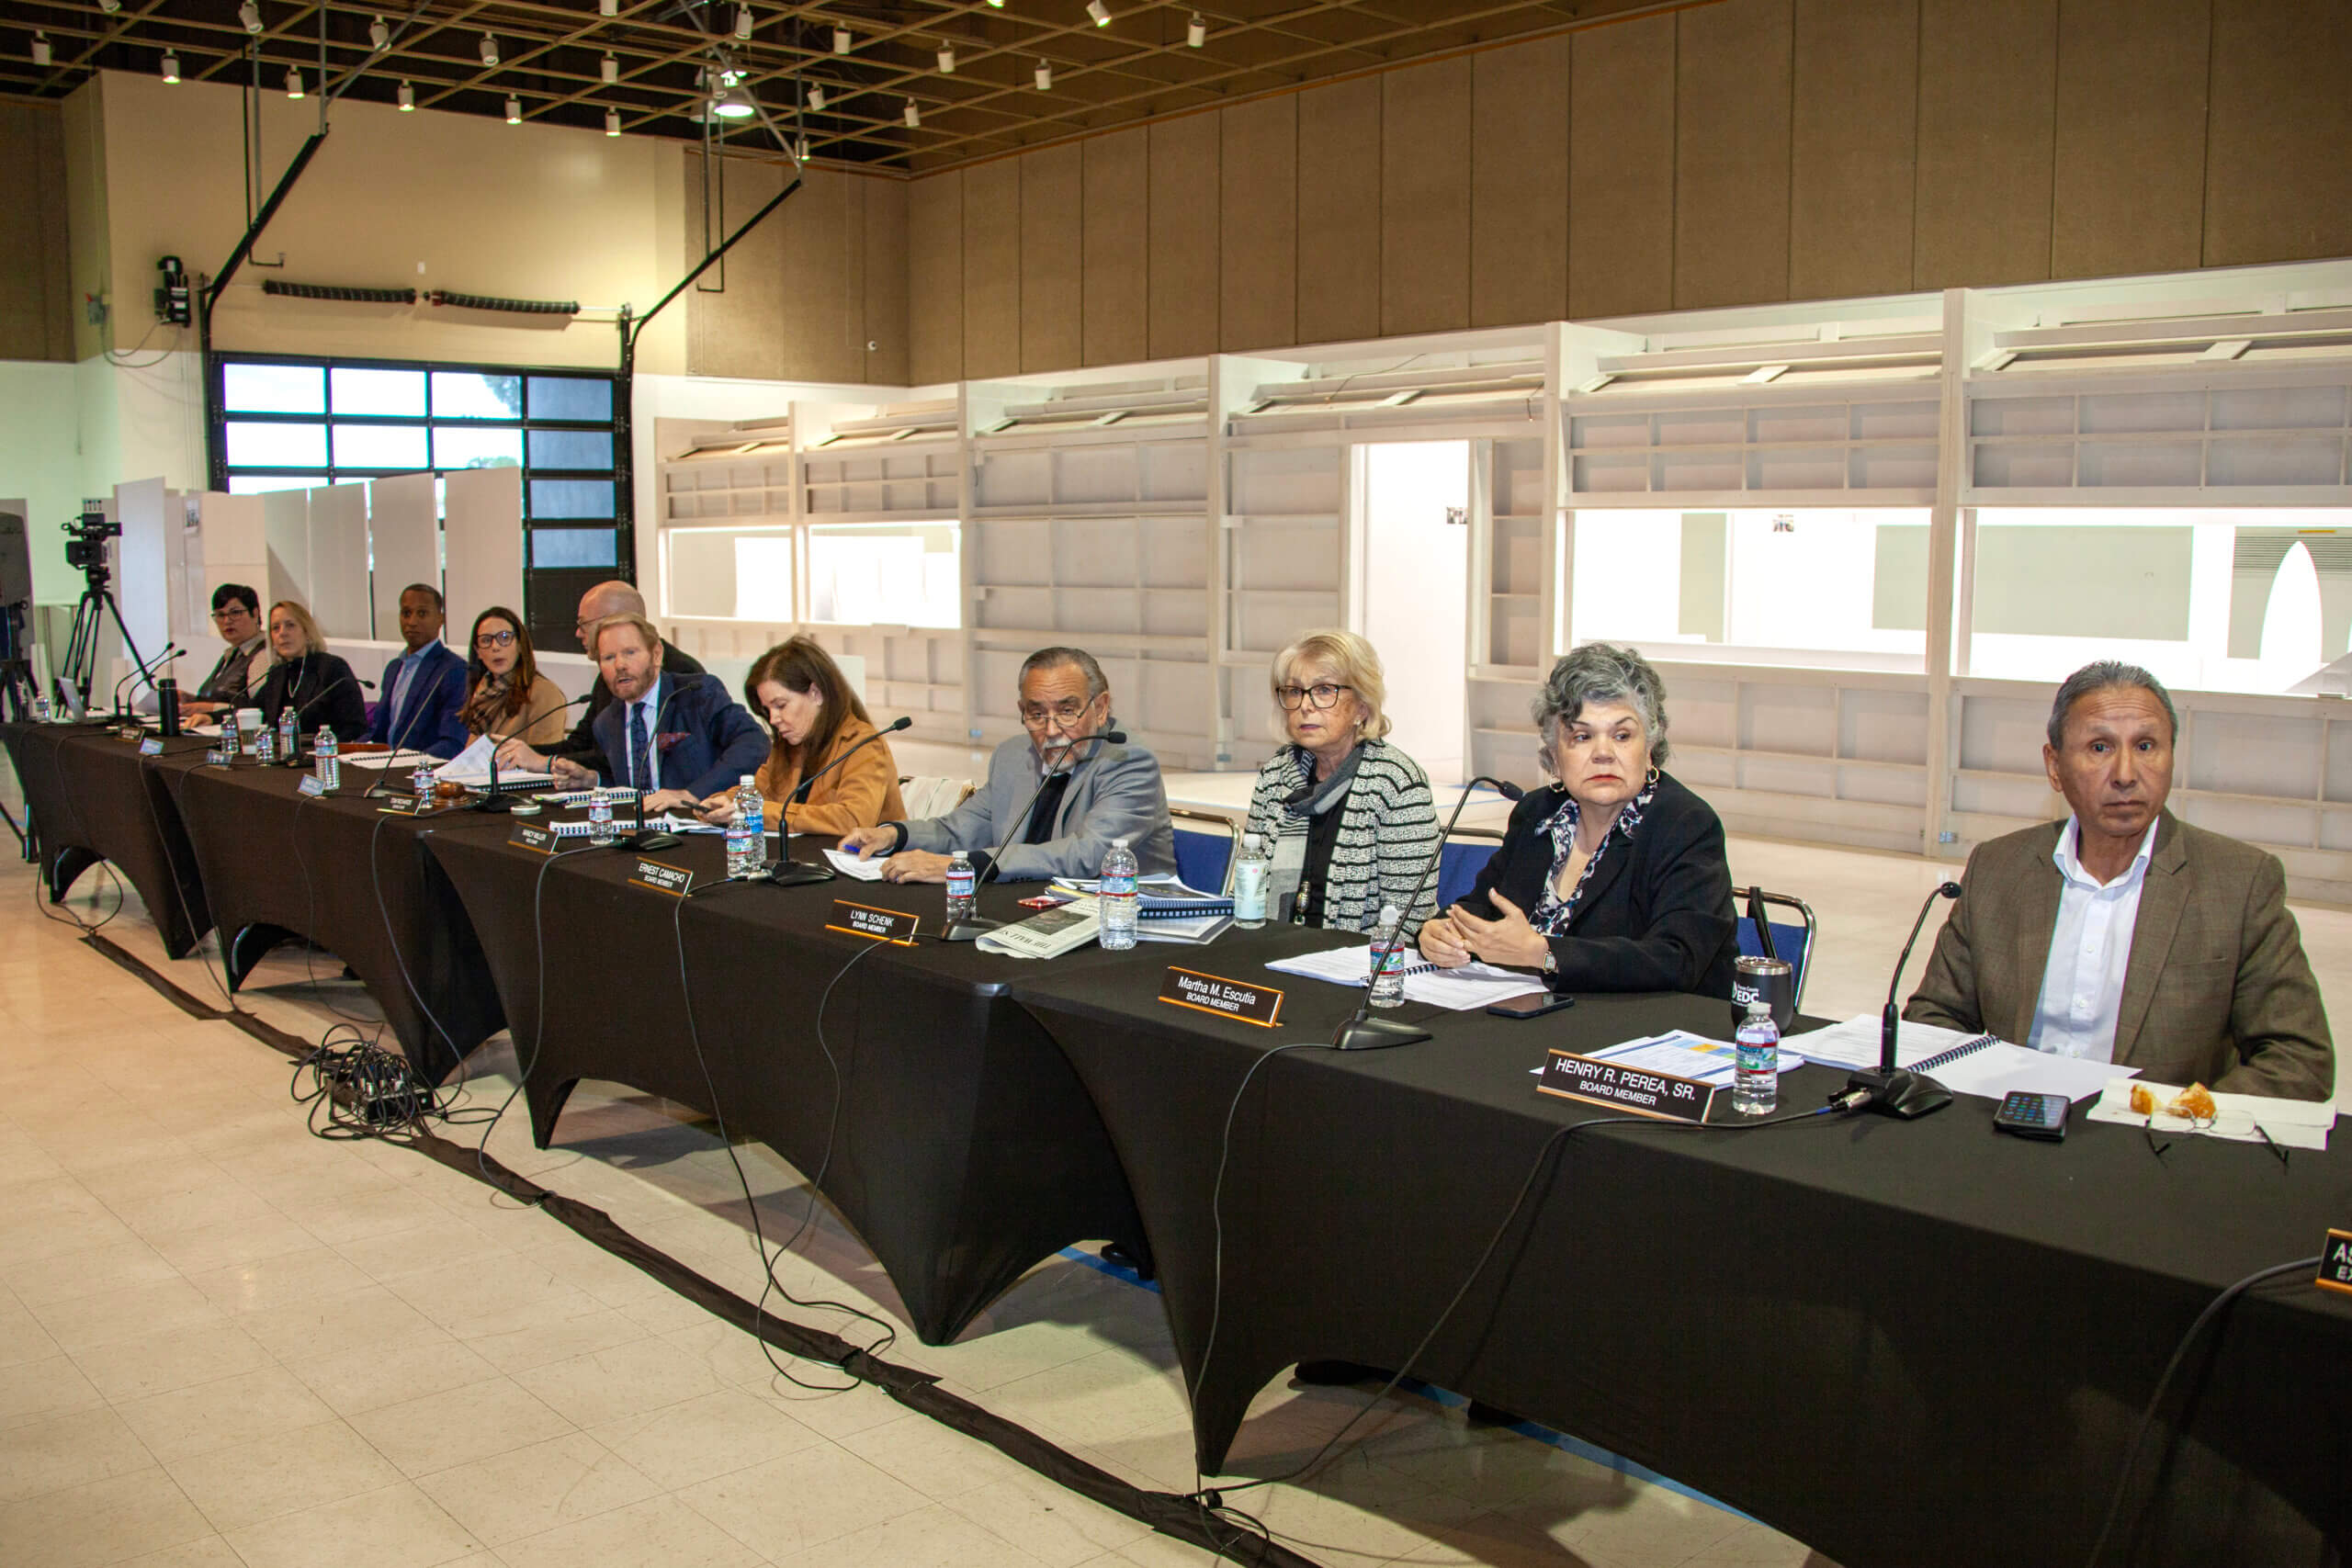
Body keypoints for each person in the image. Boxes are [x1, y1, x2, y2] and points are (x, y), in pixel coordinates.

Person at [1905, 660, 2334, 1100]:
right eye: (2099, 748)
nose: (2126, 774)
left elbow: (2298, 1061)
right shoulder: (1999, 867)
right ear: (2054, 766)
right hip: (2008, 1129)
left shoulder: (2240, 882)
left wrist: (2181, 1116)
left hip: (2156, 1149)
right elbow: (1935, 1016)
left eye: (2146, 746)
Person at [1417, 641, 1736, 997]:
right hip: (1535, 1017)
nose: (1602, 753)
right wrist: (1440, 931)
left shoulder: (1685, 824)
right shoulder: (1538, 814)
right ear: (1554, 755)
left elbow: (1677, 960)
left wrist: (1544, 954)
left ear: (1649, 750)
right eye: (1581, 737)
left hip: (1650, 1029)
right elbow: (1481, 907)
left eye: (1622, 735)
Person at [840, 645, 1174, 884]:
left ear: (1100, 709)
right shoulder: (1014, 756)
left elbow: (1087, 855)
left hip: (1118, 920)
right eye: (1037, 714)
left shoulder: (1128, 760)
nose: (1052, 730)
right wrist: (892, 835)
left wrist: (967, 866)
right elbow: (959, 831)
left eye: (1067, 711)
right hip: (1027, 906)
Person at [1238, 629, 1439, 932]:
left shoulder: (1396, 784)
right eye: (1294, 691)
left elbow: (1409, 921)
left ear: (1362, 706)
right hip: (1270, 949)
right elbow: (1246, 888)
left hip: (1357, 964)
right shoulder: (1276, 774)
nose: (1305, 705)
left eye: (1323, 690)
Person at [548, 613, 764, 815]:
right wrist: (592, 779)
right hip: (642, 832)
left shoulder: (697, 694)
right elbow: (633, 785)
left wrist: (691, 794)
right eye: (608, 658)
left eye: (630, 653)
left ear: (657, 654)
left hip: (698, 824)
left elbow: (754, 744)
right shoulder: (606, 722)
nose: (620, 665)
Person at [693, 635, 906, 836]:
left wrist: (758, 812)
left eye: (781, 705)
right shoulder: (790, 744)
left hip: (865, 867)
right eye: (768, 710)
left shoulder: (863, 744)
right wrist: (723, 802)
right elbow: (757, 791)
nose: (774, 719)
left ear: (816, 693)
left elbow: (851, 819)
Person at [494, 579, 703, 775]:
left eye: (584, 624)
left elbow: (624, 758)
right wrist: (519, 751)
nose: (578, 633)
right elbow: (581, 745)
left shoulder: (684, 676)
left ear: (615, 620)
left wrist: (545, 762)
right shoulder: (609, 677)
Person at [366, 582, 469, 758]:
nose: (412, 622)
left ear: (440, 619)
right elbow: (378, 734)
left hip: (422, 771)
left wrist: (410, 765)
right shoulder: (394, 668)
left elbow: (452, 743)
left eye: (422, 613)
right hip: (383, 765)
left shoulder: (453, 670)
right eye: (406, 613)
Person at [249, 600, 368, 741]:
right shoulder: (277, 673)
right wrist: (216, 717)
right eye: (276, 628)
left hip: (325, 756)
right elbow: (251, 710)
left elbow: (355, 728)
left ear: (307, 632)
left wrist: (320, 745)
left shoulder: (332, 668)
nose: (282, 633)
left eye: (290, 625)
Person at [458, 606, 571, 748]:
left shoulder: (544, 693)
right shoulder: (481, 694)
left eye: (504, 637)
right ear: (478, 652)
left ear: (519, 644)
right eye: (486, 640)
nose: (495, 647)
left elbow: (542, 757)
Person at [182, 583, 266, 715]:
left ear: (255, 614)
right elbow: (218, 699)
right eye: (220, 615)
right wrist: (189, 700)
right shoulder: (232, 654)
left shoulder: (264, 654)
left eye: (235, 612)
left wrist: (207, 709)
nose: (227, 621)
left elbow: (258, 708)